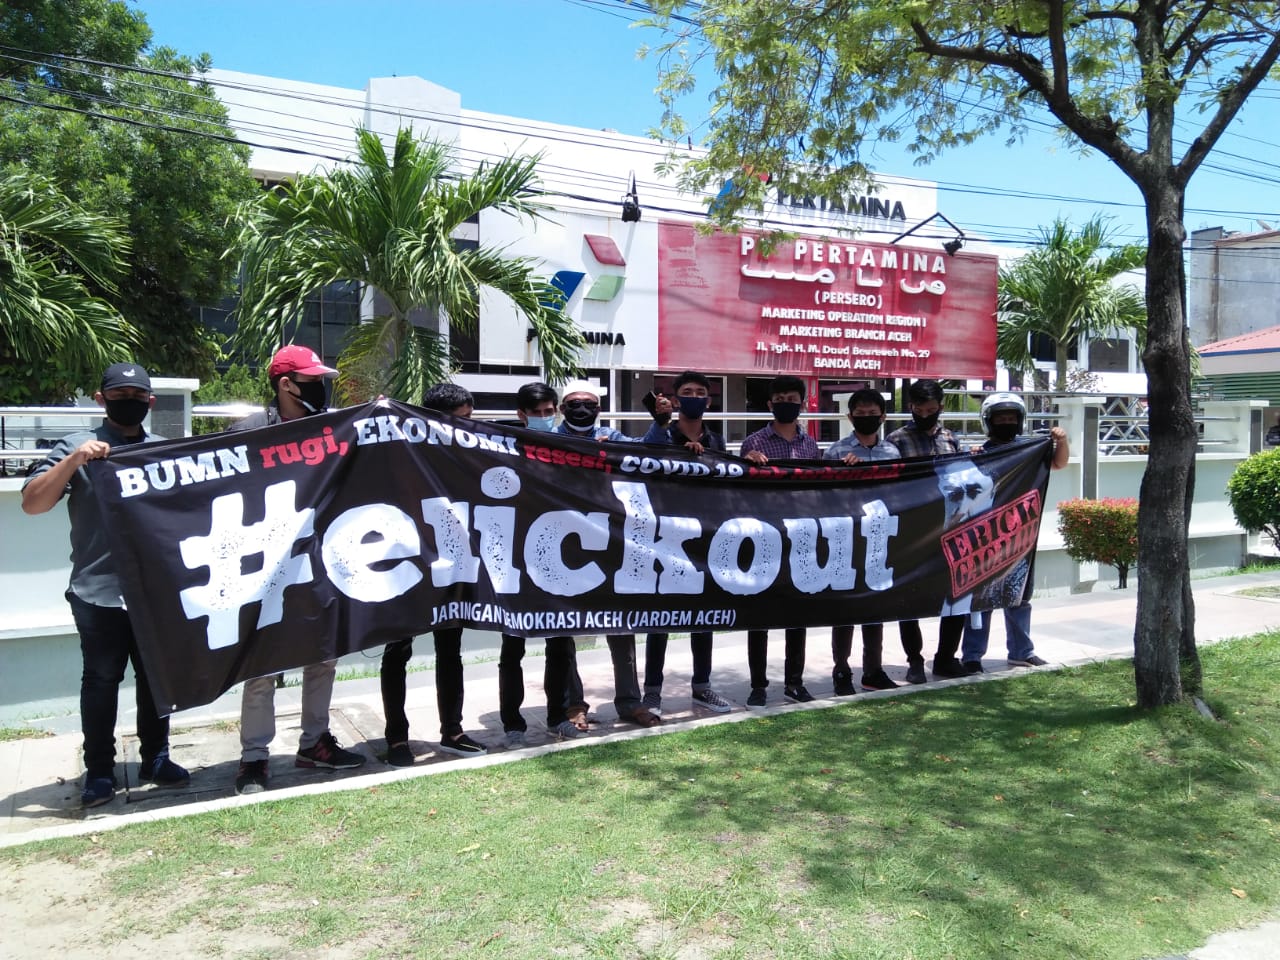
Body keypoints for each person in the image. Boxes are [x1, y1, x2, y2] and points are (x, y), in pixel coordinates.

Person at [22, 362, 191, 807]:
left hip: (153, 591)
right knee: (100, 681)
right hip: (96, 591)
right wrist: (75, 460)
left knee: (155, 678)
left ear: (150, 402)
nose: (128, 402)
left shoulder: (161, 450)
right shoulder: (76, 447)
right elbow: (33, 503)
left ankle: (156, 757)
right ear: (101, 399)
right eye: (119, 396)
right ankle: (99, 770)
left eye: (137, 396)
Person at [232, 345, 366, 795]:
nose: (320, 387)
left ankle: (314, 743)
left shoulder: (334, 427)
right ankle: (254, 758)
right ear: (285, 384)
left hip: (319, 559)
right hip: (264, 565)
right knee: (261, 663)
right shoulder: (248, 431)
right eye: (312, 380)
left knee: (324, 654)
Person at [381, 382, 487, 766]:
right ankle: (397, 738)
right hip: (407, 562)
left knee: (450, 647)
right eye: (462, 419)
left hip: (449, 560)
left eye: (470, 418)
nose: (468, 426)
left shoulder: (469, 452)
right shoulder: (400, 449)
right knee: (398, 650)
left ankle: (453, 731)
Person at [556, 380, 661, 729]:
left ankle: (630, 702)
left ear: (599, 409)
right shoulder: (546, 440)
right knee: (562, 628)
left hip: (611, 543)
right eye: (574, 404)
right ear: (562, 409)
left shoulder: (611, 437)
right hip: (562, 545)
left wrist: (660, 422)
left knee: (621, 624)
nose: (581, 409)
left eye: (588, 404)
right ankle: (573, 704)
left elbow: (649, 452)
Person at [640, 371, 733, 714]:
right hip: (665, 536)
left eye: (700, 392)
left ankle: (702, 686)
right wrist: (680, 452)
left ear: (708, 400)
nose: (694, 397)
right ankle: (652, 692)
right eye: (687, 392)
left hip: (705, 536)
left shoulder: (717, 440)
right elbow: (647, 457)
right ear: (676, 399)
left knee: (703, 616)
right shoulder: (662, 432)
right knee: (660, 619)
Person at [960, 392, 1069, 672]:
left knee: (1019, 597)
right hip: (984, 536)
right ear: (989, 421)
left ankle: (1022, 651)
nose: (1006, 423)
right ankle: (972, 656)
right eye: (1001, 419)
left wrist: (1062, 441)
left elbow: (1058, 463)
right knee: (980, 600)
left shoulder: (1030, 450)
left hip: (1021, 536)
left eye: (1011, 418)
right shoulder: (979, 454)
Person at [739, 375, 819, 707]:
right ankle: (758, 685)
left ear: (802, 403)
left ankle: (794, 682)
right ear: (770, 404)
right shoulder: (753, 443)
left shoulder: (811, 445)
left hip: (800, 538)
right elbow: (742, 489)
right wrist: (749, 464)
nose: (787, 404)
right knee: (759, 617)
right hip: (765, 539)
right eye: (780, 399)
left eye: (792, 399)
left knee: (796, 615)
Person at [885, 378, 967, 682]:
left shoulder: (951, 439)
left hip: (950, 527)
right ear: (911, 407)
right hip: (911, 530)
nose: (924, 415)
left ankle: (946, 657)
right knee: (910, 599)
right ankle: (915, 661)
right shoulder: (896, 440)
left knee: (957, 593)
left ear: (940, 407)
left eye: (930, 410)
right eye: (919, 410)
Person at [823, 388, 903, 693]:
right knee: (845, 609)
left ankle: (873, 670)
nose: (866, 418)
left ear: (882, 417)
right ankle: (841, 671)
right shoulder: (836, 452)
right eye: (860, 414)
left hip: (880, 538)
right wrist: (845, 474)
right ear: (850, 416)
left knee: (875, 607)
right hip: (846, 540)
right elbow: (825, 496)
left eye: (872, 414)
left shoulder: (892, 452)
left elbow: (900, 492)